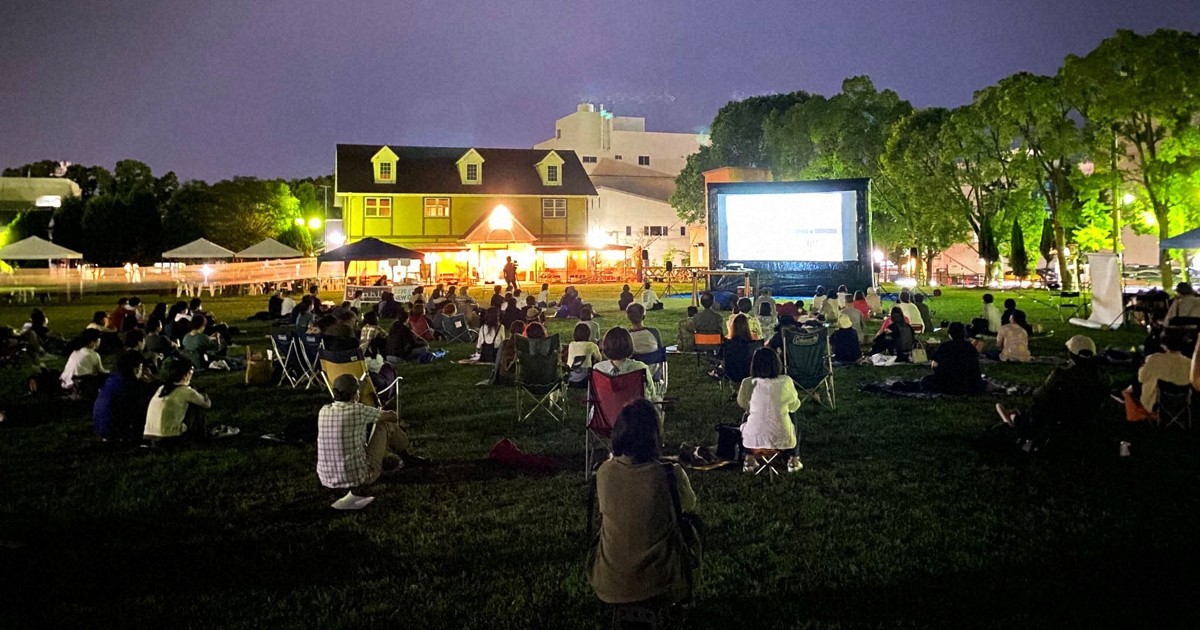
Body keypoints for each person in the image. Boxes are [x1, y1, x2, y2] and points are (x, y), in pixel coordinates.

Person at [589, 399, 701, 606]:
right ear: (655, 436)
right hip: (661, 583)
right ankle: (685, 593)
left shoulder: (603, 472)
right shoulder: (669, 474)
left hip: (609, 583)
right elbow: (689, 505)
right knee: (692, 525)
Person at [317, 374, 425, 510]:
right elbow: (392, 416)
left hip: (326, 478)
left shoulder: (323, 411)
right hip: (360, 477)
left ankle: (405, 456)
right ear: (355, 394)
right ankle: (406, 456)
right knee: (385, 425)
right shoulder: (359, 411)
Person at [995, 335, 1110, 447]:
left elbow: (1040, 397)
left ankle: (1015, 419)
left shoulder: (1062, 375)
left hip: (1058, 422)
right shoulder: (1103, 377)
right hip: (1086, 421)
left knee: (1034, 411)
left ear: (1071, 354)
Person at [737, 347, 803, 472]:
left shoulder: (747, 383)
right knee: (792, 415)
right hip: (784, 441)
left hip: (751, 442)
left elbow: (743, 404)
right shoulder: (786, 382)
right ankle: (794, 459)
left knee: (747, 415)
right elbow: (794, 405)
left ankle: (749, 459)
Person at [144, 357, 237, 442]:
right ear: (186, 375)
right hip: (169, 437)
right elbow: (207, 404)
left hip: (149, 435)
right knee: (195, 407)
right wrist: (203, 394)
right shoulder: (185, 391)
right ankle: (204, 435)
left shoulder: (161, 388)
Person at [1123, 328, 1192, 421]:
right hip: (1182, 403)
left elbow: (1141, 379)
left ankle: (1138, 417)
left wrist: (1142, 368)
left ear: (1163, 344)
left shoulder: (1154, 359)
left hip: (1154, 403)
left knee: (1129, 390)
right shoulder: (1189, 363)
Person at [93, 350, 153, 442]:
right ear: (136, 369)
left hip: (100, 428)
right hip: (117, 431)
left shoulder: (111, 380)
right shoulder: (131, 386)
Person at [594, 327, 658, 401]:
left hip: (604, 411)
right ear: (629, 346)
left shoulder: (597, 369)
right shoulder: (640, 368)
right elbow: (652, 393)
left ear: (606, 346)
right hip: (635, 411)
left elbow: (594, 394)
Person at [922, 322, 984, 394]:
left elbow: (934, 364)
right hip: (968, 383)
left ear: (950, 334)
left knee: (925, 380)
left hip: (948, 383)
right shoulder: (969, 347)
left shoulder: (945, 347)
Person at [60, 329, 108, 395]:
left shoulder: (76, 351)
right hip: (82, 383)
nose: (99, 343)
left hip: (66, 381)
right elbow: (101, 371)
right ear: (92, 343)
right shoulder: (93, 354)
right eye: (98, 341)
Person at [567, 322, 603, 388]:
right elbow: (599, 359)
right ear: (588, 334)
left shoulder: (571, 344)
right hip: (585, 378)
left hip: (570, 376)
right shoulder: (591, 345)